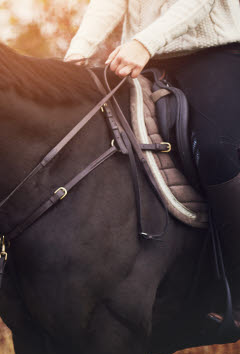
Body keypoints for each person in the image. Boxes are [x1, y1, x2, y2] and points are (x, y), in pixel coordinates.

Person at [64, 0, 240, 328]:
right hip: (142, 60)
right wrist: (78, 53)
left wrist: (145, 42)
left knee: (216, 151)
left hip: (213, 53)